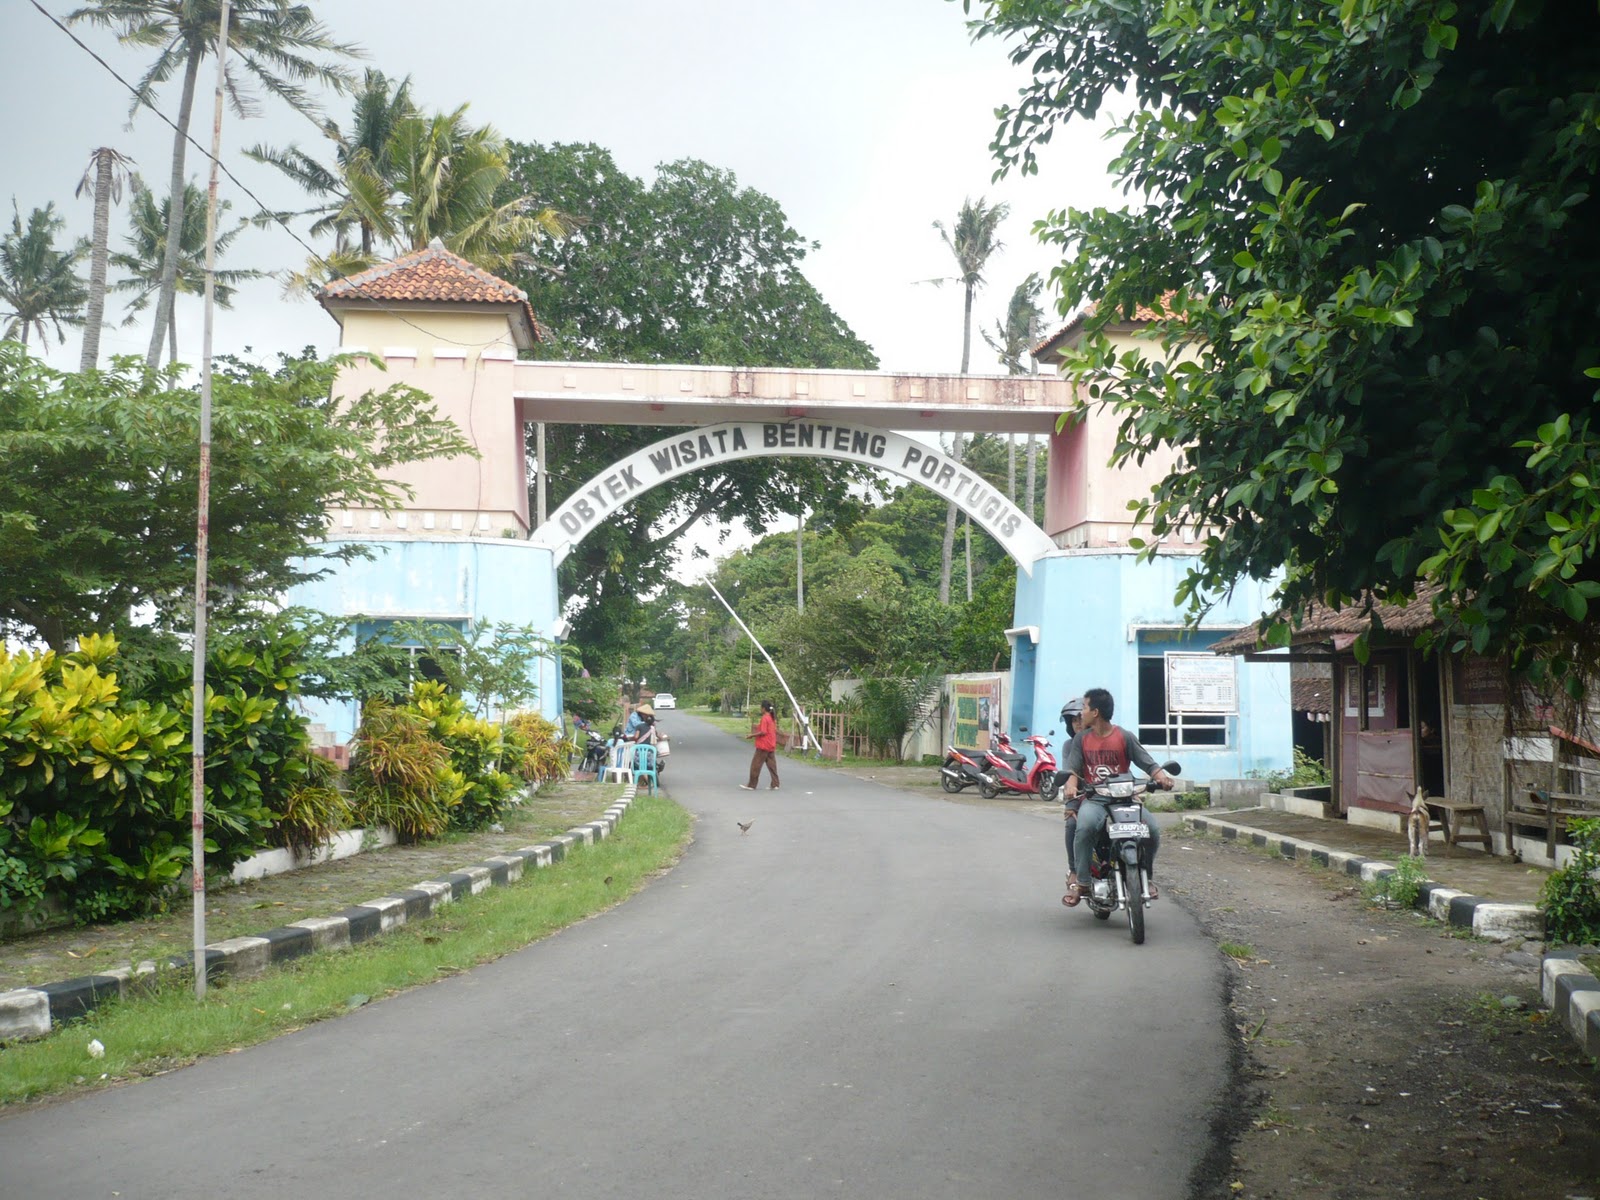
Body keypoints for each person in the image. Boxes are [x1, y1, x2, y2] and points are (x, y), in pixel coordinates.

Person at [1060, 687, 1175, 907]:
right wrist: (1071, 786)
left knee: (1152, 829)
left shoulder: (1124, 736)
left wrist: (1162, 778)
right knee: (1083, 828)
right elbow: (1072, 770)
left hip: (1126, 800)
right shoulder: (1081, 739)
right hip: (1096, 800)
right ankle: (1082, 882)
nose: (1081, 713)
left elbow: (1148, 763)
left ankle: (1147, 877)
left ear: (1095, 712)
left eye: (1084, 707)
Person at [1058, 697, 1085, 878]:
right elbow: (1069, 771)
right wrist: (1071, 788)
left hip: (1106, 791)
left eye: (1080, 719)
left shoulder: (1101, 740)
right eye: (1074, 720)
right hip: (1080, 793)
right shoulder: (1070, 745)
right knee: (1072, 823)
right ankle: (1074, 869)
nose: (1078, 724)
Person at [740, 699, 780, 791]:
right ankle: (775, 784)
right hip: (771, 745)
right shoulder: (771, 717)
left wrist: (751, 735)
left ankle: (751, 785)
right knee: (772, 766)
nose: (760, 709)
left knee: (755, 765)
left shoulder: (765, 718)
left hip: (763, 745)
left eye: (761, 708)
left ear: (763, 708)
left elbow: (763, 732)